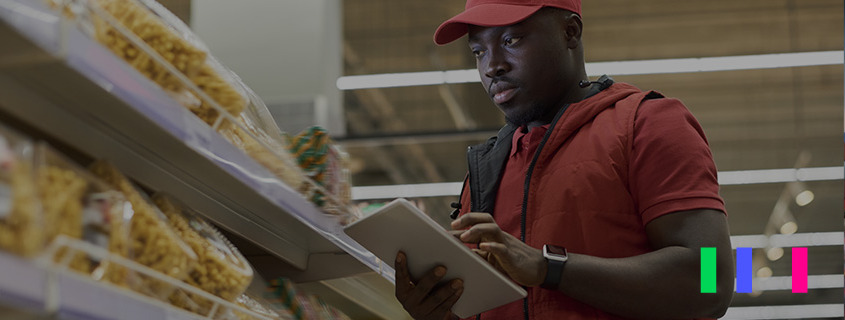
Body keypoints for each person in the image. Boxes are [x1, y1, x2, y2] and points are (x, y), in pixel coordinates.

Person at [393, 0, 735, 319]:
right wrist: (440, 308)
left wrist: (549, 267)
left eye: (511, 40)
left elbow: (710, 281)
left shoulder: (647, 124)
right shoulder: (487, 170)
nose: (492, 66)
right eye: (478, 51)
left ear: (570, 32)